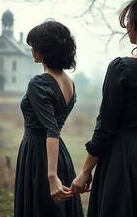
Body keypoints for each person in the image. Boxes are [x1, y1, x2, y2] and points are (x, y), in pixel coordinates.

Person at [71, 0, 137, 217]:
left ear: (134, 25)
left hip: (121, 159)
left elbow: (106, 127)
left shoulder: (122, 67)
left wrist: (85, 171)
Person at [14, 21, 83, 217]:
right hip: (58, 154)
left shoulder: (40, 83)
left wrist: (52, 176)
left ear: (45, 50)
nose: (31, 50)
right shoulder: (69, 83)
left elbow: (51, 130)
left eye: (34, 45)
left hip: (39, 155)